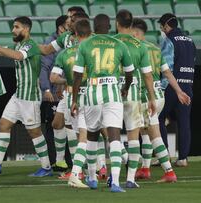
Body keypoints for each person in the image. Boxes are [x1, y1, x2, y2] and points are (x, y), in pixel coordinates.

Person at [0, 16, 52, 177]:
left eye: (16, 27)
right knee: (3, 125)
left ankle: (46, 167)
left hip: (30, 97)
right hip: (18, 95)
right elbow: (0, 52)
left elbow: (17, 56)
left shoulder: (31, 45)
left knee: (35, 132)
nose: (13, 30)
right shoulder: (19, 45)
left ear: (26, 29)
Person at [71, 16, 135, 193]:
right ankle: (114, 181)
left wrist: (74, 100)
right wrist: (126, 88)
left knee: (91, 136)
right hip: (112, 93)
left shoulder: (85, 45)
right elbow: (130, 73)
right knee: (114, 135)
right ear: (110, 26)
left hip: (91, 93)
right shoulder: (119, 45)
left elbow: (77, 75)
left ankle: (92, 178)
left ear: (94, 27)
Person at [132, 18, 191, 182]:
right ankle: (145, 168)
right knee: (147, 132)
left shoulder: (135, 49)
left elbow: (146, 75)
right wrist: (179, 91)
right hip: (160, 94)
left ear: (136, 32)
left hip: (146, 95)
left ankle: (167, 171)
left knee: (142, 132)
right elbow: (167, 72)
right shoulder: (155, 48)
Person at [113, 9, 156, 188]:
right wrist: (152, 98)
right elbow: (147, 75)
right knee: (133, 135)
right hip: (133, 93)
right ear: (132, 25)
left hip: (114, 92)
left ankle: (114, 172)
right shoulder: (140, 45)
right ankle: (130, 178)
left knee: (111, 134)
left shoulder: (111, 42)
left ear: (117, 23)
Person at [50, 19, 92, 188]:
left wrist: (68, 82)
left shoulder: (66, 53)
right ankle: (95, 169)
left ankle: (81, 170)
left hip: (74, 95)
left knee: (77, 131)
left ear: (74, 34)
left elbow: (53, 77)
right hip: (94, 94)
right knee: (95, 131)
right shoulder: (95, 49)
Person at [158, 13, 196, 167]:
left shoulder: (169, 40)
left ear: (166, 26)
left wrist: (161, 88)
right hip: (188, 85)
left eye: (162, 26)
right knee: (184, 122)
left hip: (172, 88)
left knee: (158, 117)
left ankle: (164, 155)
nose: (161, 29)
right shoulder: (190, 41)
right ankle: (183, 158)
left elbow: (167, 67)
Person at [39, 15, 68, 169]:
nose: (70, 28)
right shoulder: (52, 43)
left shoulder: (70, 41)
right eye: (67, 26)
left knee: (66, 125)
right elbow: (43, 68)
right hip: (54, 92)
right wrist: (47, 89)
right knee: (54, 126)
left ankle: (65, 161)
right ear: (60, 28)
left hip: (66, 91)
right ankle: (55, 161)